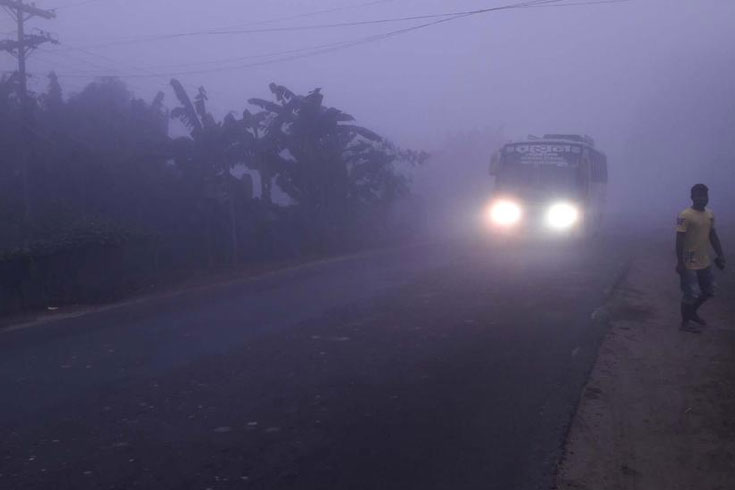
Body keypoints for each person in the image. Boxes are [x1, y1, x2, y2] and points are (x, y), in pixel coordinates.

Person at [676, 183, 726, 332]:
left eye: (704, 196)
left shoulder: (709, 215)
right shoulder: (684, 215)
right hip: (688, 260)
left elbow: (713, 235)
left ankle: (692, 313)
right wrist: (680, 262)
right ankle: (685, 323)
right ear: (692, 197)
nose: (702, 199)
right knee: (690, 293)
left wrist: (720, 254)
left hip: (704, 259)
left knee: (709, 291)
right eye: (698, 196)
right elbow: (679, 239)